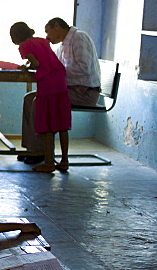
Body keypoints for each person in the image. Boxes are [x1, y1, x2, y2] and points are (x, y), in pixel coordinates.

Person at [20, 18, 100, 163]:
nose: (46, 36)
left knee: (39, 102)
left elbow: (84, 68)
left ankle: (41, 152)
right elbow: (51, 62)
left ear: (57, 26)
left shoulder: (78, 38)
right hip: (69, 89)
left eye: (47, 31)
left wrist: (55, 72)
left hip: (85, 92)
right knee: (29, 98)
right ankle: (32, 148)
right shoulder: (63, 44)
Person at [12, 21, 71, 173]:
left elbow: (36, 63)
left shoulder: (24, 46)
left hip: (47, 85)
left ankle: (49, 163)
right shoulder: (41, 40)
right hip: (60, 81)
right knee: (62, 126)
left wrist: (26, 66)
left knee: (47, 126)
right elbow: (44, 57)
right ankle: (64, 161)